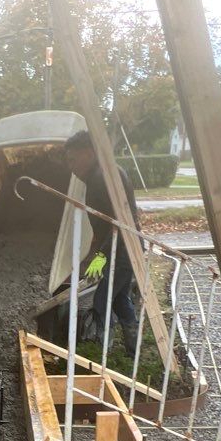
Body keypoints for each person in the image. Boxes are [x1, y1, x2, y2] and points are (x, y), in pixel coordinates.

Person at [63, 131, 141, 350]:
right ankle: (133, 346)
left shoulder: (101, 178)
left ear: (88, 153)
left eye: (73, 159)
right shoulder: (102, 174)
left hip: (122, 249)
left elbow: (115, 223)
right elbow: (105, 225)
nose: (71, 166)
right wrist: (92, 257)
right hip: (123, 247)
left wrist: (98, 259)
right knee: (118, 297)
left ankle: (102, 351)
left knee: (102, 300)